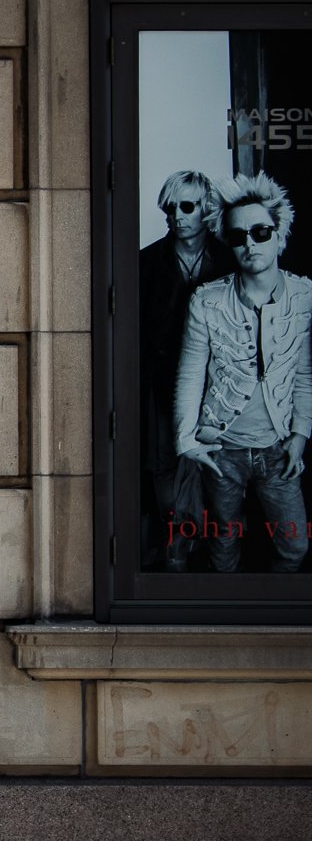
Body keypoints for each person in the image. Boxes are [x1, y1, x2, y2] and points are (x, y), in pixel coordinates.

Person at [174, 172, 312, 572]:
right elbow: (190, 374)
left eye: (260, 232)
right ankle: (224, 626)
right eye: (238, 236)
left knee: (295, 547)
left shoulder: (303, 295)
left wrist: (300, 435)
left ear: (279, 232)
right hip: (222, 450)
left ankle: (275, 626)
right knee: (223, 548)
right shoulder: (208, 300)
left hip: (278, 447)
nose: (250, 243)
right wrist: (188, 441)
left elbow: (304, 372)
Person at [139, 172, 232, 569]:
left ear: (206, 210)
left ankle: (209, 550)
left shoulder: (229, 259)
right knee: (164, 464)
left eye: (187, 206)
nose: (177, 215)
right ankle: (175, 540)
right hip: (163, 385)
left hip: (221, 388)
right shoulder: (145, 263)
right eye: (170, 207)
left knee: (219, 469)